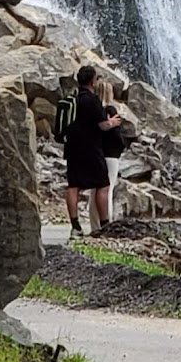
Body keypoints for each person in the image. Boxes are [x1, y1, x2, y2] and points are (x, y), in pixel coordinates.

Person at [61, 64, 122, 235]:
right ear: (92, 81)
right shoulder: (92, 100)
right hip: (90, 149)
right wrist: (113, 123)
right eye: (96, 79)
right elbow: (103, 126)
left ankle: (75, 226)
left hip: (71, 148)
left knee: (73, 186)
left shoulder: (72, 98)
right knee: (102, 185)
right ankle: (104, 226)